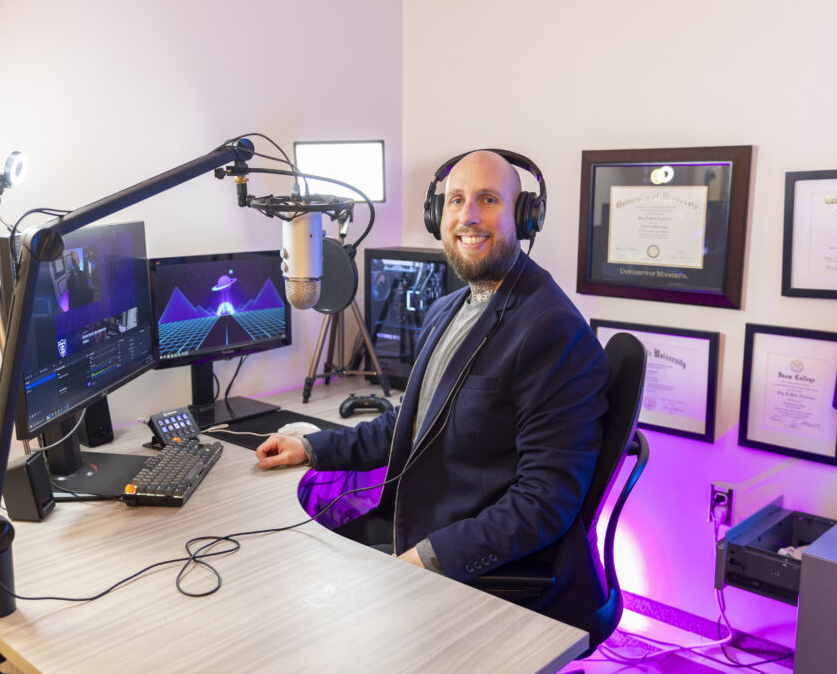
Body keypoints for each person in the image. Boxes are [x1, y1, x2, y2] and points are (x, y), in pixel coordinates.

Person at [256, 150, 610, 623]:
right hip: (416, 527)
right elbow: (411, 422)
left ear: (524, 217)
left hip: (478, 565)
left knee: (307, 606)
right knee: (279, 566)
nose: (467, 216)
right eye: (455, 200)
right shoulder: (449, 310)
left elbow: (544, 503)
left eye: (488, 200)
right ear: (435, 216)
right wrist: (311, 448)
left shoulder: (551, 330)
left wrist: (429, 559)